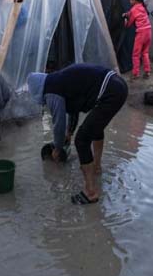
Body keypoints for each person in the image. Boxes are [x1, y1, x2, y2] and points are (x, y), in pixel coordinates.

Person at [27, 64, 128, 205]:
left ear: (38, 91)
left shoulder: (51, 91)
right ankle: (96, 167)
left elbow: (58, 123)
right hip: (118, 85)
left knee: (81, 139)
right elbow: (74, 109)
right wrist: (69, 133)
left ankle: (90, 192)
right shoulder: (58, 81)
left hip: (110, 92)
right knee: (95, 129)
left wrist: (57, 147)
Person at [123, 0, 151, 79]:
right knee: (145, 52)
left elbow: (129, 24)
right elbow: (133, 13)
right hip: (149, 31)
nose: (130, 1)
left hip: (141, 33)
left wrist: (125, 20)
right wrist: (127, 14)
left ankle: (136, 73)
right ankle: (147, 71)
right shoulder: (143, 6)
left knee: (136, 54)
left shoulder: (134, 9)